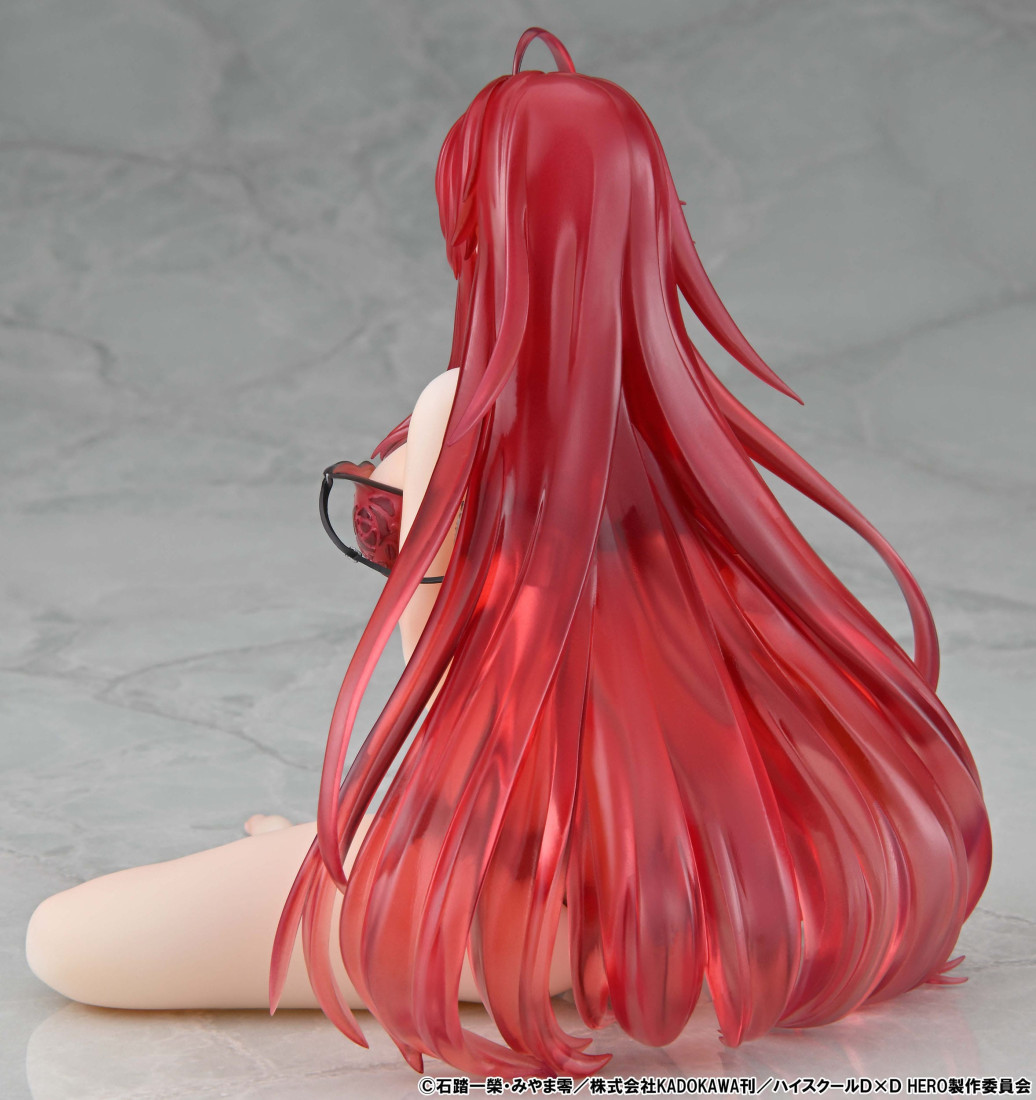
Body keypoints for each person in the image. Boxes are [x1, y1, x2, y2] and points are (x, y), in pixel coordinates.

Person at [26, 28, 991, 1081]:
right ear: (651, 217)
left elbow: (455, 693)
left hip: (510, 893)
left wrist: (387, 844)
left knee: (63, 940)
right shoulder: (689, 439)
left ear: (478, 217)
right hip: (664, 888)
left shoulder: (461, 413)